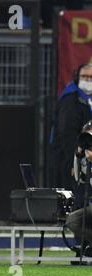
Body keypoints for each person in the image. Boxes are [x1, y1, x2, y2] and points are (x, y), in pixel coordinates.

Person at [49, 64, 92, 194]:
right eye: (84, 76)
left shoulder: (87, 99)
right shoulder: (71, 100)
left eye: (91, 77)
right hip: (69, 160)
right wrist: (74, 163)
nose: (88, 80)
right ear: (77, 78)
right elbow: (67, 135)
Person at [65, 121, 92, 260]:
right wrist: (77, 156)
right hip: (86, 199)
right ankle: (86, 246)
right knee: (72, 221)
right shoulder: (83, 155)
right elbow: (77, 176)